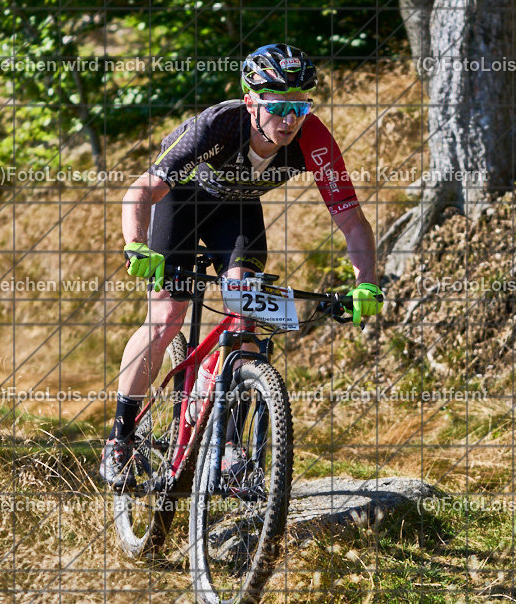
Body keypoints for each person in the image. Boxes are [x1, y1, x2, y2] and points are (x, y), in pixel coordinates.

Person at [100, 43, 384, 489]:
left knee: (246, 314)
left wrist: (366, 285)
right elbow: (141, 190)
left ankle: (229, 449)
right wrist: (136, 245)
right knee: (167, 315)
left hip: (239, 212)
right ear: (252, 102)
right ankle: (120, 437)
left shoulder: (314, 139)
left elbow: (350, 218)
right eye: (278, 107)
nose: (291, 120)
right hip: (184, 203)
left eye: (301, 106)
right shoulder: (217, 125)